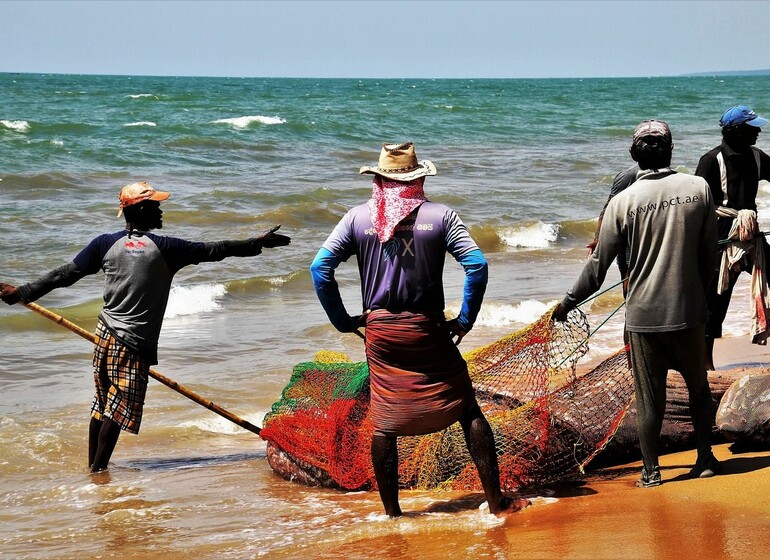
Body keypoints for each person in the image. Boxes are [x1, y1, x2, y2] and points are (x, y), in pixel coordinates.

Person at [0, 181, 290, 473]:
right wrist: (257, 243)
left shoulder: (104, 244)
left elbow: (65, 275)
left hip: (105, 334)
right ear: (139, 209)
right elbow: (216, 250)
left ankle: (94, 469)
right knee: (118, 406)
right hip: (133, 341)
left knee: (102, 404)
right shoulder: (166, 248)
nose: (161, 210)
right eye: (155, 206)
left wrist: (23, 292)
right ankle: (98, 473)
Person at [309, 142, 528, 517]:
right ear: (419, 178)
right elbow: (476, 266)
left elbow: (320, 269)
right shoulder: (440, 217)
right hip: (427, 328)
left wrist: (343, 321)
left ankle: (393, 514)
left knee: (385, 420)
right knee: (466, 408)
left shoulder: (357, 219)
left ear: (377, 180)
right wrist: (464, 320)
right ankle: (496, 502)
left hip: (381, 332)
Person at [552, 121, 720, 487]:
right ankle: (705, 458)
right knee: (699, 389)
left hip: (644, 317)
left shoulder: (622, 202)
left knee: (649, 399)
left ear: (633, 154)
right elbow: (710, 254)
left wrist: (567, 302)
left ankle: (651, 472)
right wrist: (698, 293)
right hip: (690, 312)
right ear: (671, 150)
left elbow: (597, 268)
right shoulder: (698, 188)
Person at [695, 105, 770, 370]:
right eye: (753, 128)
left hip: (752, 236)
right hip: (721, 240)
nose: (759, 131)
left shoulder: (758, 157)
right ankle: (706, 366)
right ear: (736, 131)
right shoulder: (710, 160)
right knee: (714, 302)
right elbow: (696, 205)